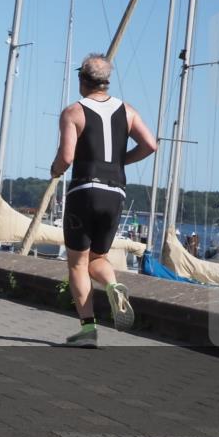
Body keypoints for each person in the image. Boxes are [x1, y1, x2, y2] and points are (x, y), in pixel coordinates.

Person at [50, 53, 156, 347]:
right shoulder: (128, 111)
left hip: (85, 190)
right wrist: (121, 162)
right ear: (106, 82)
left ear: (83, 80)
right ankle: (112, 285)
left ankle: (87, 331)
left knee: (77, 264)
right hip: (115, 192)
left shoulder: (73, 112)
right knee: (99, 258)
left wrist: (55, 170)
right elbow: (150, 145)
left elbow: (67, 158)